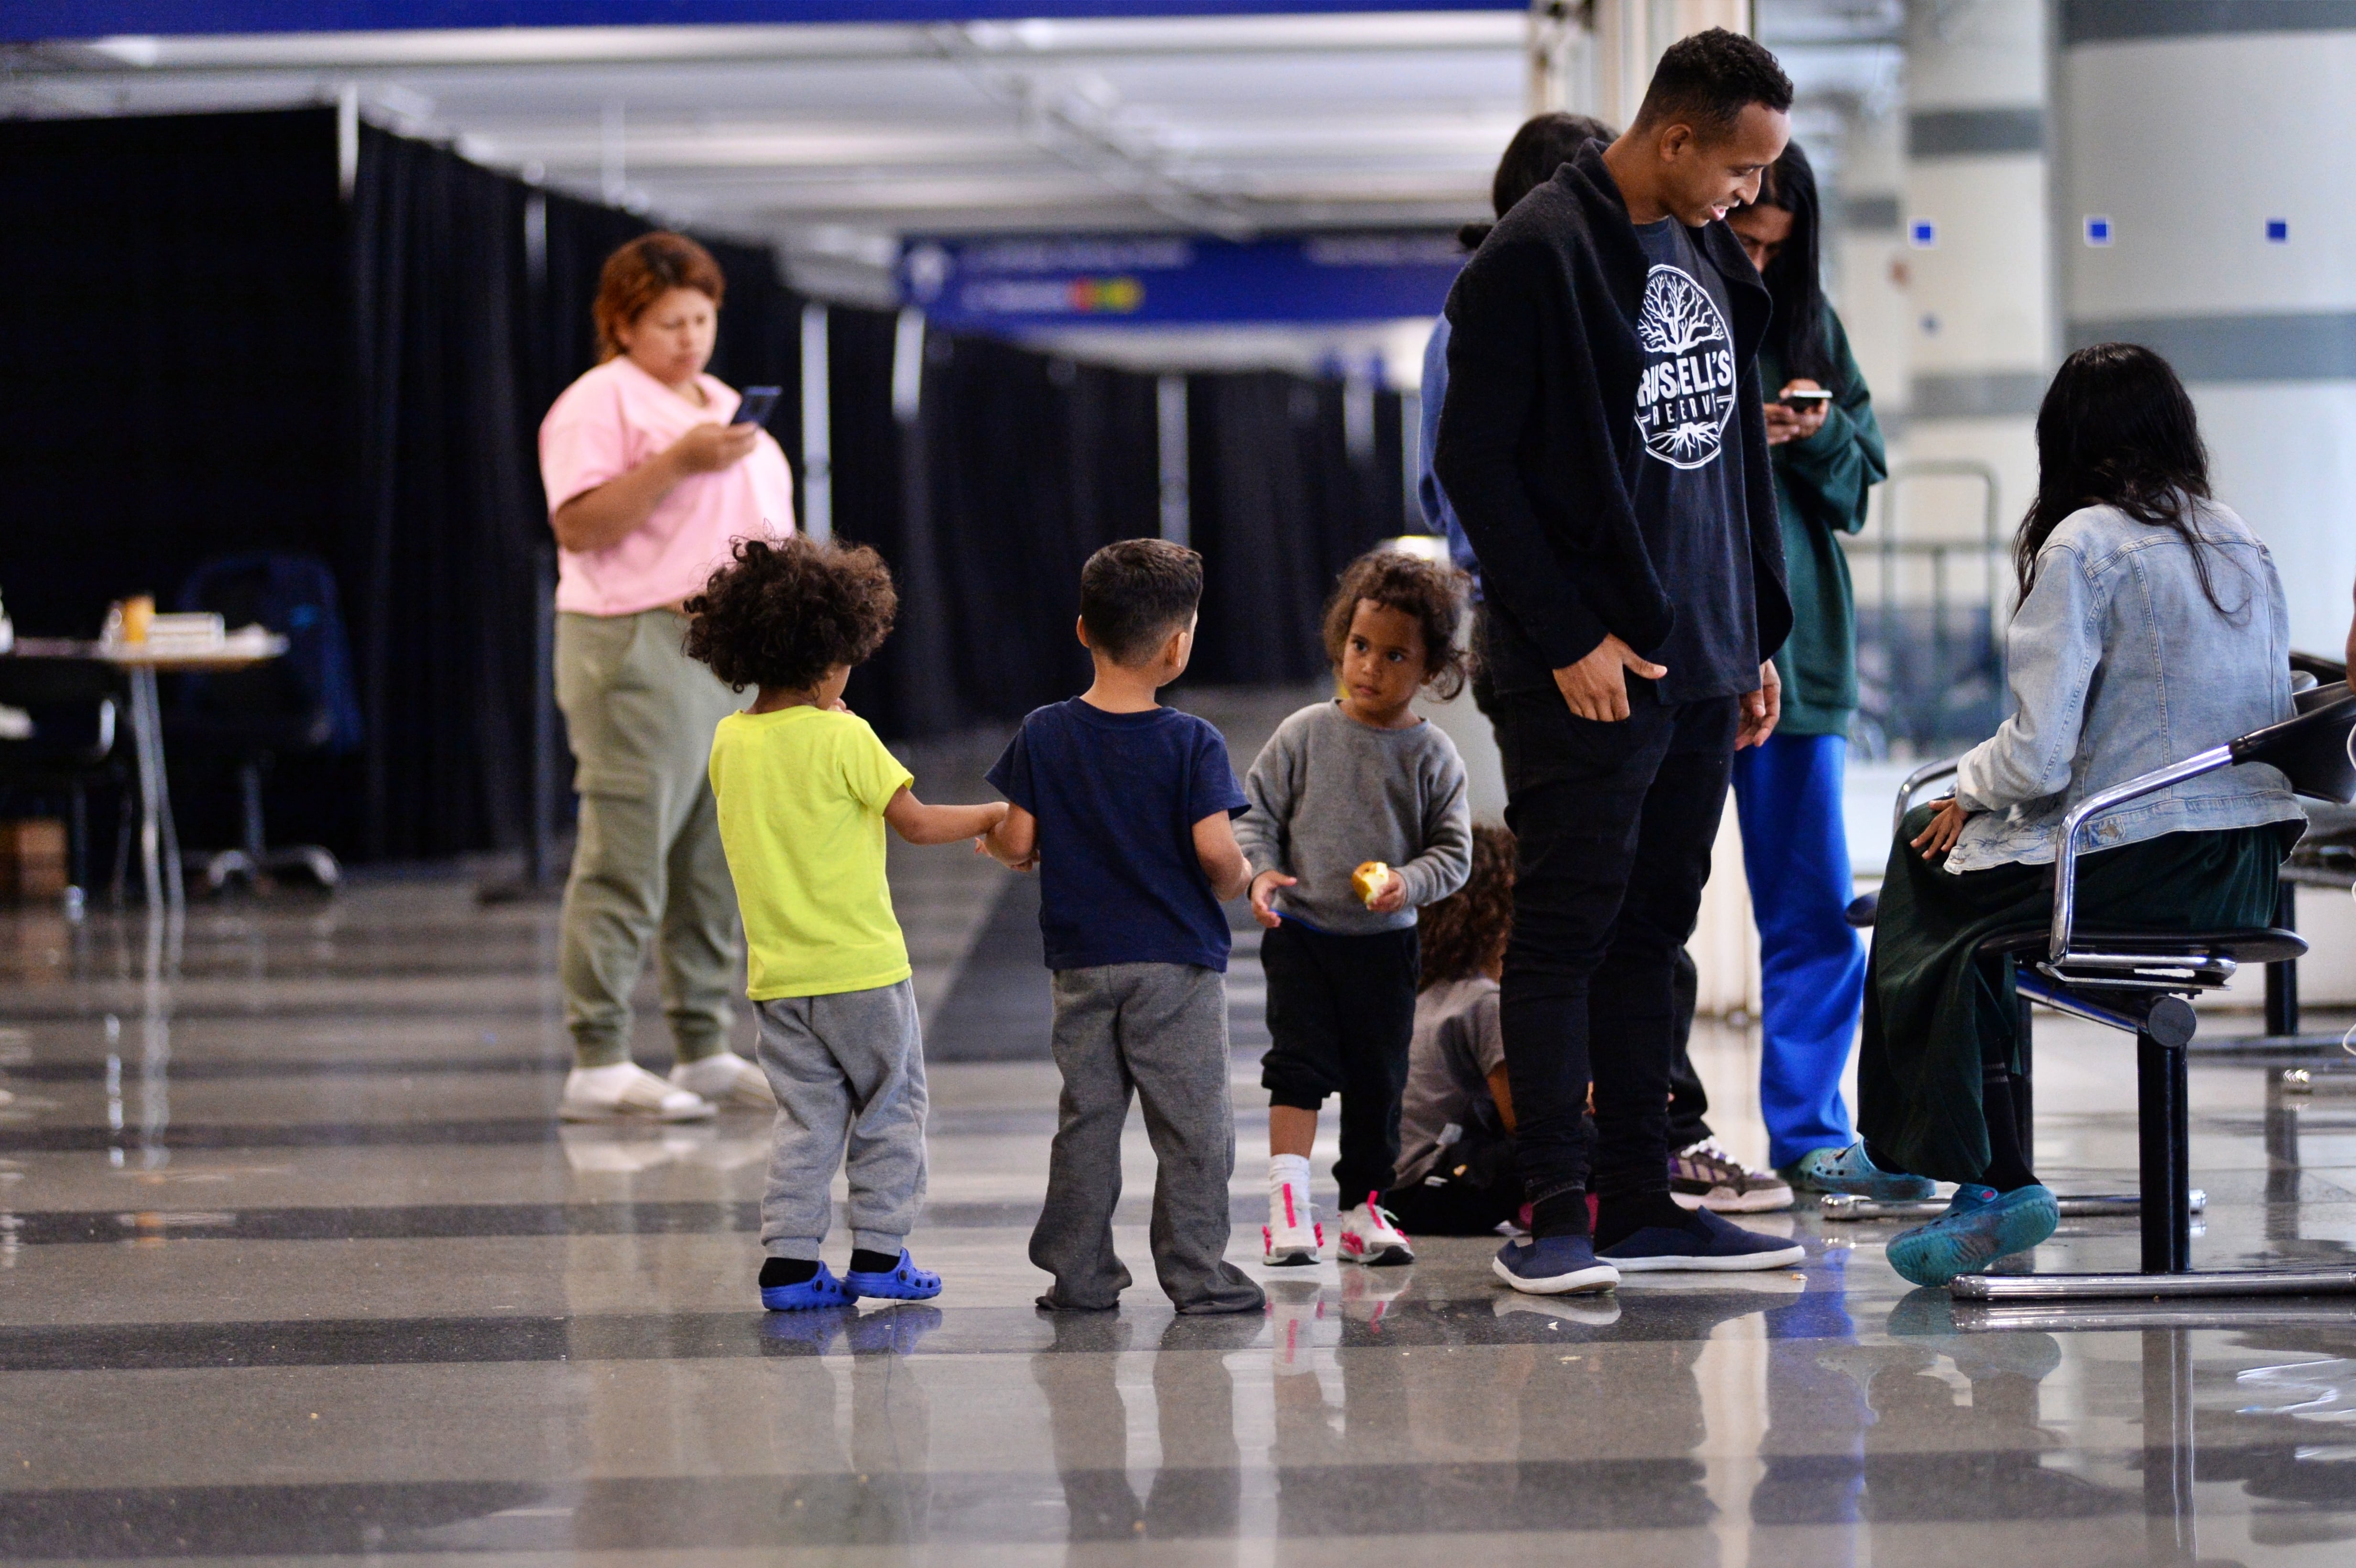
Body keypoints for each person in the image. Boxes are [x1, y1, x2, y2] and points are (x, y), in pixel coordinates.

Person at [1433, 28, 1807, 1294]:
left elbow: (1727, 459)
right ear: (1678, 134)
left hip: (1701, 656)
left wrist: (1751, 636)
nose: (1749, 197)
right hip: (1588, 664)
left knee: (1656, 934)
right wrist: (1571, 637)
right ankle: (1556, 1212)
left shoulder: (1698, 244)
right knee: (1566, 937)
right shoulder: (1537, 255)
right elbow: (1477, 471)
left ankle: (1644, 1201)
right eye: (1739, 169)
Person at [1856, 343, 2305, 1286]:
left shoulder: (2084, 545)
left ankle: (1967, 1168)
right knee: (1976, 908)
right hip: (2246, 866)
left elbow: (2039, 751)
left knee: (1927, 854)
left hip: (2142, 855)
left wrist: (1966, 791)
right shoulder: (2238, 535)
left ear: (2065, 442)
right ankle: (1936, 1156)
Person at [686, 536, 1008, 1310]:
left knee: (807, 1119)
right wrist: (999, 813)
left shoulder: (730, 741)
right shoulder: (844, 736)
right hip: (861, 972)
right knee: (892, 1108)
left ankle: (790, 1267)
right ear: (831, 656)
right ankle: (879, 1253)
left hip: (778, 979)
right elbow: (919, 823)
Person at [539, 232, 796, 1122]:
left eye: (701, 318)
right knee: (628, 847)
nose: (688, 338)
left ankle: (700, 1044)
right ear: (623, 324)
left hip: (725, 650)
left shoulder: (726, 405)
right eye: (667, 323)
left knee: (712, 859)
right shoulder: (599, 403)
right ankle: (599, 1056)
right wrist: (677, 462)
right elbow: (578, 526)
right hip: (635, 642)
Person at [981, 540, 1265, 1316]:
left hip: (1080, 963)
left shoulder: (1042, 731)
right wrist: (1246, 882)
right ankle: (1198, 1276)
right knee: (1194, 1128)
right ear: (1177, 646)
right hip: (1174, 964)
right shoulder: (1192, 742)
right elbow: (1216, 853)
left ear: (1082, 631)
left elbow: (1015, 838)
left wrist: (1002, 845)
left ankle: (1078, 1276)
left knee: (1088, 1121)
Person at [1709, 141, 1909, 1202]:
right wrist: (1747, 428)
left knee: (1811, 910)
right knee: (1647, 904)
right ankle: (1651, 1122)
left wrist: (1812, 434)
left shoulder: (1810, 326)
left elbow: (1859, 487)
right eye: (1740, 236)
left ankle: (1809, 1129)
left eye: (1773, 247)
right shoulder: (1679, 310)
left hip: (1806, 658)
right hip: (1695, 654)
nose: (1754, 255)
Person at [1238, 549, 1474, 1268]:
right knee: (1298, 1068)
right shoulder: (1305, 732)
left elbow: (1453, 854)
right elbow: (1256, 813)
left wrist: (1409, 881)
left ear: (1432, 671)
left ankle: (1365, 1209)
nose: (1369, 667)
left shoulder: (1433, 757)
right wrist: (1260, 872)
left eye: (1395, 655)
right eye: (1359, 646)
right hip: (1305, 935)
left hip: (1385, 947)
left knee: (1380, 1083)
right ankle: (1287, 1205)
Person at [1422, 111, 1617, 596]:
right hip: (1527, 603)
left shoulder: (1451, 323)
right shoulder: (1494, 320)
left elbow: (1433, 498)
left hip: (1500, 593)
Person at [1380, 822, 1524, 1236]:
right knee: (1582, 1138)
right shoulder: (1483, 1001)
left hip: (1393, 1194)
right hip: (1438, 1193)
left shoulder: (1421, 990)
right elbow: (1525, 1120)